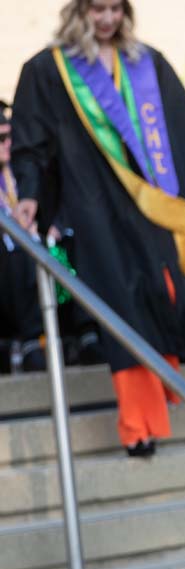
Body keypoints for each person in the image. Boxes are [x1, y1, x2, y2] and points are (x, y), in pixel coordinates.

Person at [11, 0, 185, 457]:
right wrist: (32, 194)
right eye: (98, 9)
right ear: (78, 11)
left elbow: (182, 129)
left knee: (166, 295)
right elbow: (32, 141)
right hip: (96, 207)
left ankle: (166, 390)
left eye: (116, 9)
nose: (108, 19)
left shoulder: (145, 62)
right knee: (123, 307)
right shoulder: (49, 69)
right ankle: (139, 424)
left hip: (156, 205)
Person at [0, 98, 46, 372]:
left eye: (10, 137)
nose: (9, 143)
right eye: (2, 138)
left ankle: (85, 336)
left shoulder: (20, 172)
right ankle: (26, 340)